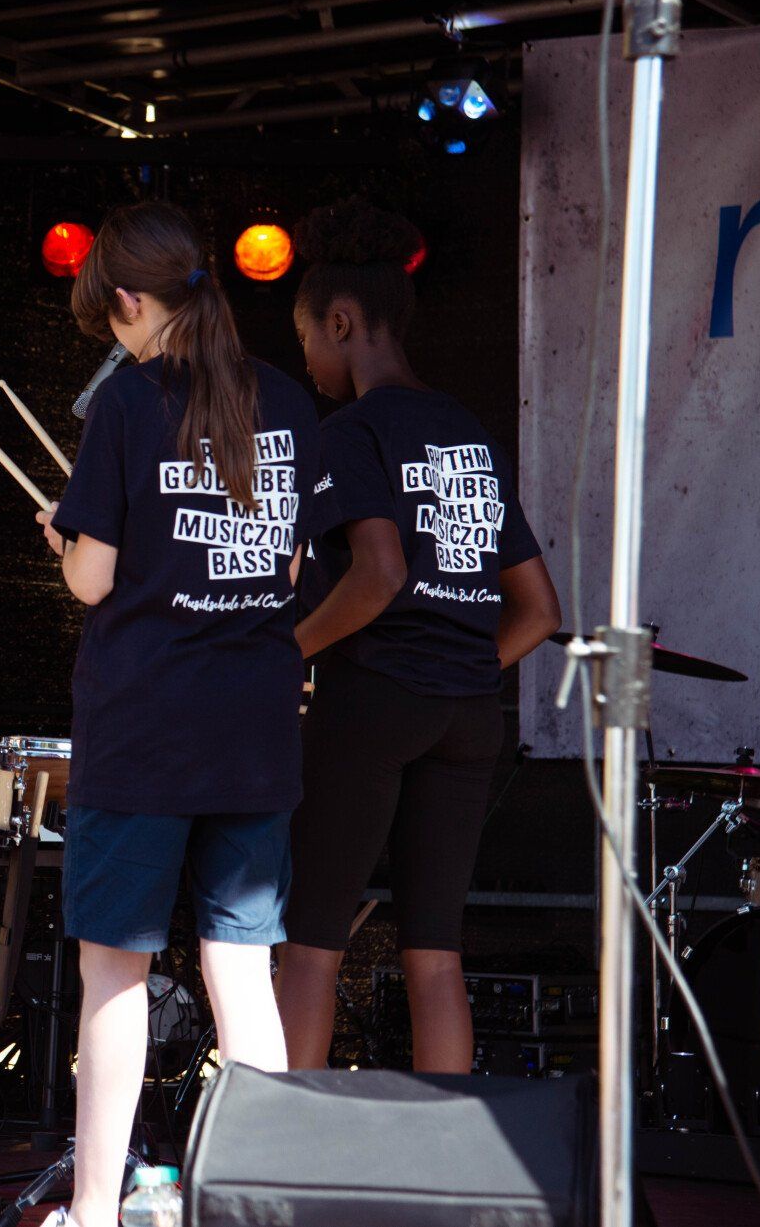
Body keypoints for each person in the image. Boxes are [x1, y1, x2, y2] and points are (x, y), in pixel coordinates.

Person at [35, 202, 318, 1227]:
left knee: (115, 971)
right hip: (253, 727)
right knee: (243, 970)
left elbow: (96, 580)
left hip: (146, 724)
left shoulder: (125, 405)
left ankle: (97, 1211)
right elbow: (286, 566)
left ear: (123, 301)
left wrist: (63, 538)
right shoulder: (286, 401)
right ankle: (264, 1203)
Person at [274, 200, 562, 1073]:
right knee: (435, 950)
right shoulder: (469, 432)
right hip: (470, 715)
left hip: (374, 703)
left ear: (342, 322)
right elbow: (541, 610)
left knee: (314, 939)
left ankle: (287, 1153)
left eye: (308, 340)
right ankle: (445, 1166)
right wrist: (467, 668)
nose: (309, 361)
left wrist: (284, 650)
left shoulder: (349, 433)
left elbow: (380, 572)